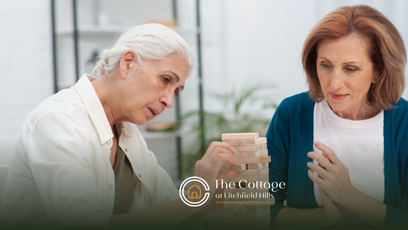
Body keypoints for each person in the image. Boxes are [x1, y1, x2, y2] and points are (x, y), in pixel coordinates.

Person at [0, 24, 238, 229]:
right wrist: (193, 198)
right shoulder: (58, 120)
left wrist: (208, 204)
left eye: (176, 90)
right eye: (166, 80)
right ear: (127, 63)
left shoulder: (127, 131)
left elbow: (172, 215)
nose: (169, 100)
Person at [266, 5, 408, 228]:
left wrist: (349, 196)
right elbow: (257, 211)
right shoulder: (291, 114)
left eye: (350, 68)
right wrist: (325, 219)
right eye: (325, 65)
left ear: (378, 70)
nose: (334, 83)